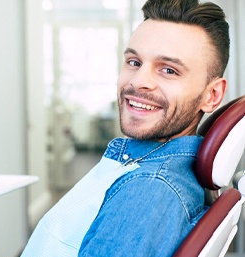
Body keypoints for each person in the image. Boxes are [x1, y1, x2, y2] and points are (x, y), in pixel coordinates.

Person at [21, 0, 230, 256]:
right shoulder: (143, 166)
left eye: (169, 70)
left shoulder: (149, 190)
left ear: (212, 95)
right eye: (134, 62)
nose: (139, 81)